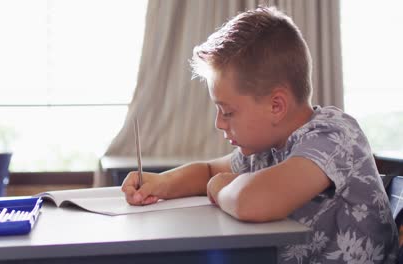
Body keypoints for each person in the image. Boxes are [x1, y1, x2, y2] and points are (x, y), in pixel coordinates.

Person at [121, 6, 398, 264]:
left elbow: (251, 201)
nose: (219, 123)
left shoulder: (332, 135)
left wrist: (219, 185)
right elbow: (207, 172)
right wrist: (159, 183)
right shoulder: (266, 146)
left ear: (276, 106)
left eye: (227, 112)